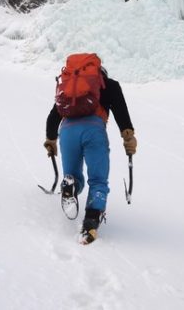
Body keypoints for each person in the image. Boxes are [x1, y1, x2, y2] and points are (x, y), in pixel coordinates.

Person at [43, 64, 137, 242]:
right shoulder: (109, 85)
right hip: (94, 131)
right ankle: (90, 224)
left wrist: (51, 140)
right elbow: (121, 112)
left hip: (67, 131)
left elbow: (53, 116)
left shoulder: (71, 89)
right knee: (98, 180)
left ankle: (69, 185)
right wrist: (128, 137)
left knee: (73, 175)